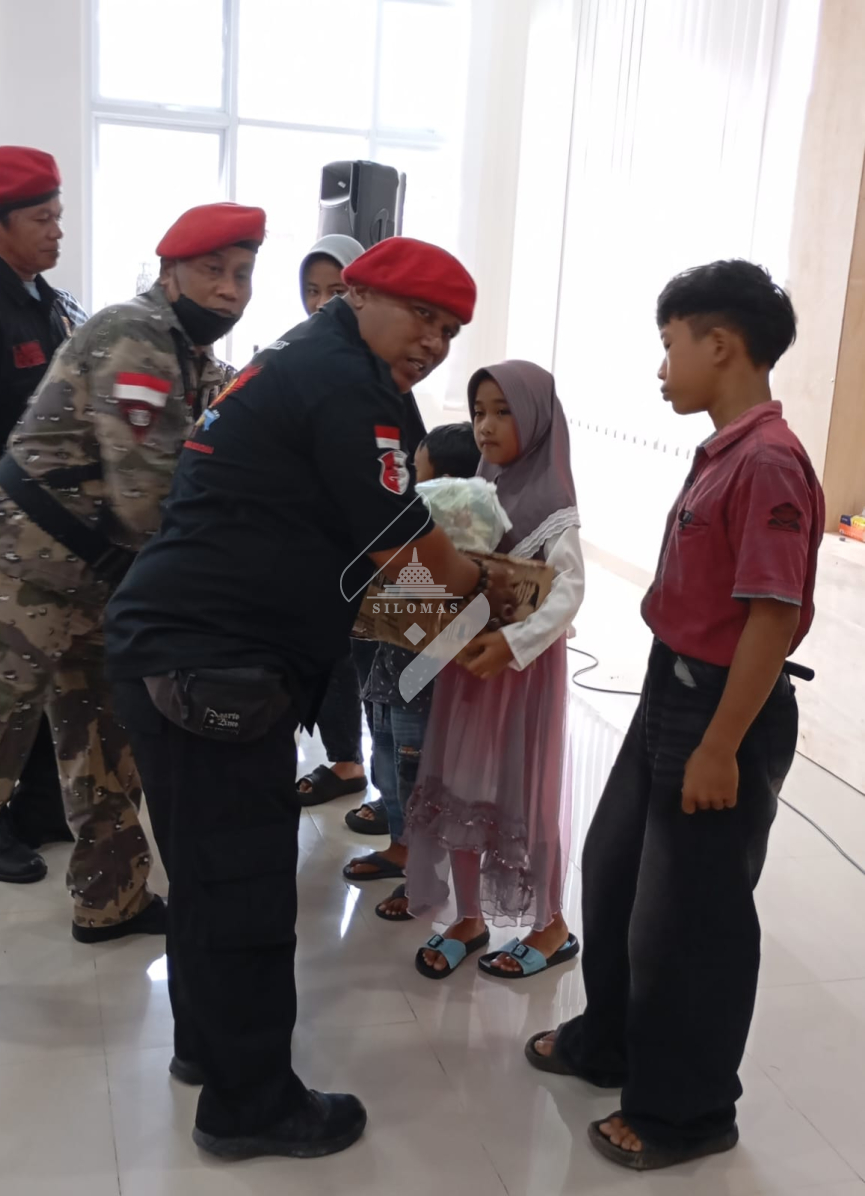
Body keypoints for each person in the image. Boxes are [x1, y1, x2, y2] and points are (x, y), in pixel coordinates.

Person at [104, 236, 517, 1161]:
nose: (434, 342)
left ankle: (208, 1049)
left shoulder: (316, 359)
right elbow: (403, 544)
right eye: (422, 317)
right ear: (360, 294)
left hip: (172, 648)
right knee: (248, 889)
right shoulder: (344, 384)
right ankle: (250, 1106)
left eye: (451, 331)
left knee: (207, 876)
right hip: (213, 661)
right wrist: (483, 590)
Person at [524, 261, 825, 1171]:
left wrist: (721, 747)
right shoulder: (727, 450)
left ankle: (688, 1112)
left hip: (719, 709)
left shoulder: (767, 461)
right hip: (673, 689)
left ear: (720, 344)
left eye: (670, 346)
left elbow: (771, 616)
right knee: (617, 871)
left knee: (692, 920)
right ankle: (611, 1042)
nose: (662, 368)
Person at [0, 200, 265, 942]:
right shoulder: (136, 336)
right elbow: (147, 502)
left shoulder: (189, 355)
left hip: (96, 583)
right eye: (212, 270)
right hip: (18, 574)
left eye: (242, 274)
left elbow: (247, 401)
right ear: (168, 273)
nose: (229, 290)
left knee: (103, 742)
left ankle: (112, 900)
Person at [400, 362, 584, 978]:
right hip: (470, 670)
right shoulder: (478, 489)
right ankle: (469, 916)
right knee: (461, 786)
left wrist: (513, 644)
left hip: (521, 676)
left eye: (504, 412)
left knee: (526, 793)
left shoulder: (554, 506)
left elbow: (568, 593)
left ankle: (551, 925)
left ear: (536, 418)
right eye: (480, 412)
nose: (486, 426)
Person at [0, 144, 83, 884]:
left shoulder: (48, 300)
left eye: (57, 215)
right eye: (41, 218)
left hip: (51, 531)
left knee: (48, 678)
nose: (56, 231)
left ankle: (39, 806)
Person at [343, 422, 480, 890]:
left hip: (420, 682)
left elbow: (447, 607)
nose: (407, 481)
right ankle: (401, 846)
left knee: (414, 770)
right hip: (389, 671)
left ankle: (426, 871)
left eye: (417, 472)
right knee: (386, 760)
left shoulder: (453, 542)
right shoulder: (412, 532)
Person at [294, 234, 373, 805]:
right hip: (313, 536)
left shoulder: (372, 362)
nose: (321, 303)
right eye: (311, 290)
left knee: (350, 652)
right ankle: (344, 756)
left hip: (358, 538)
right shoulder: (304, 352)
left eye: (336, 290)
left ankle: (351, 764)